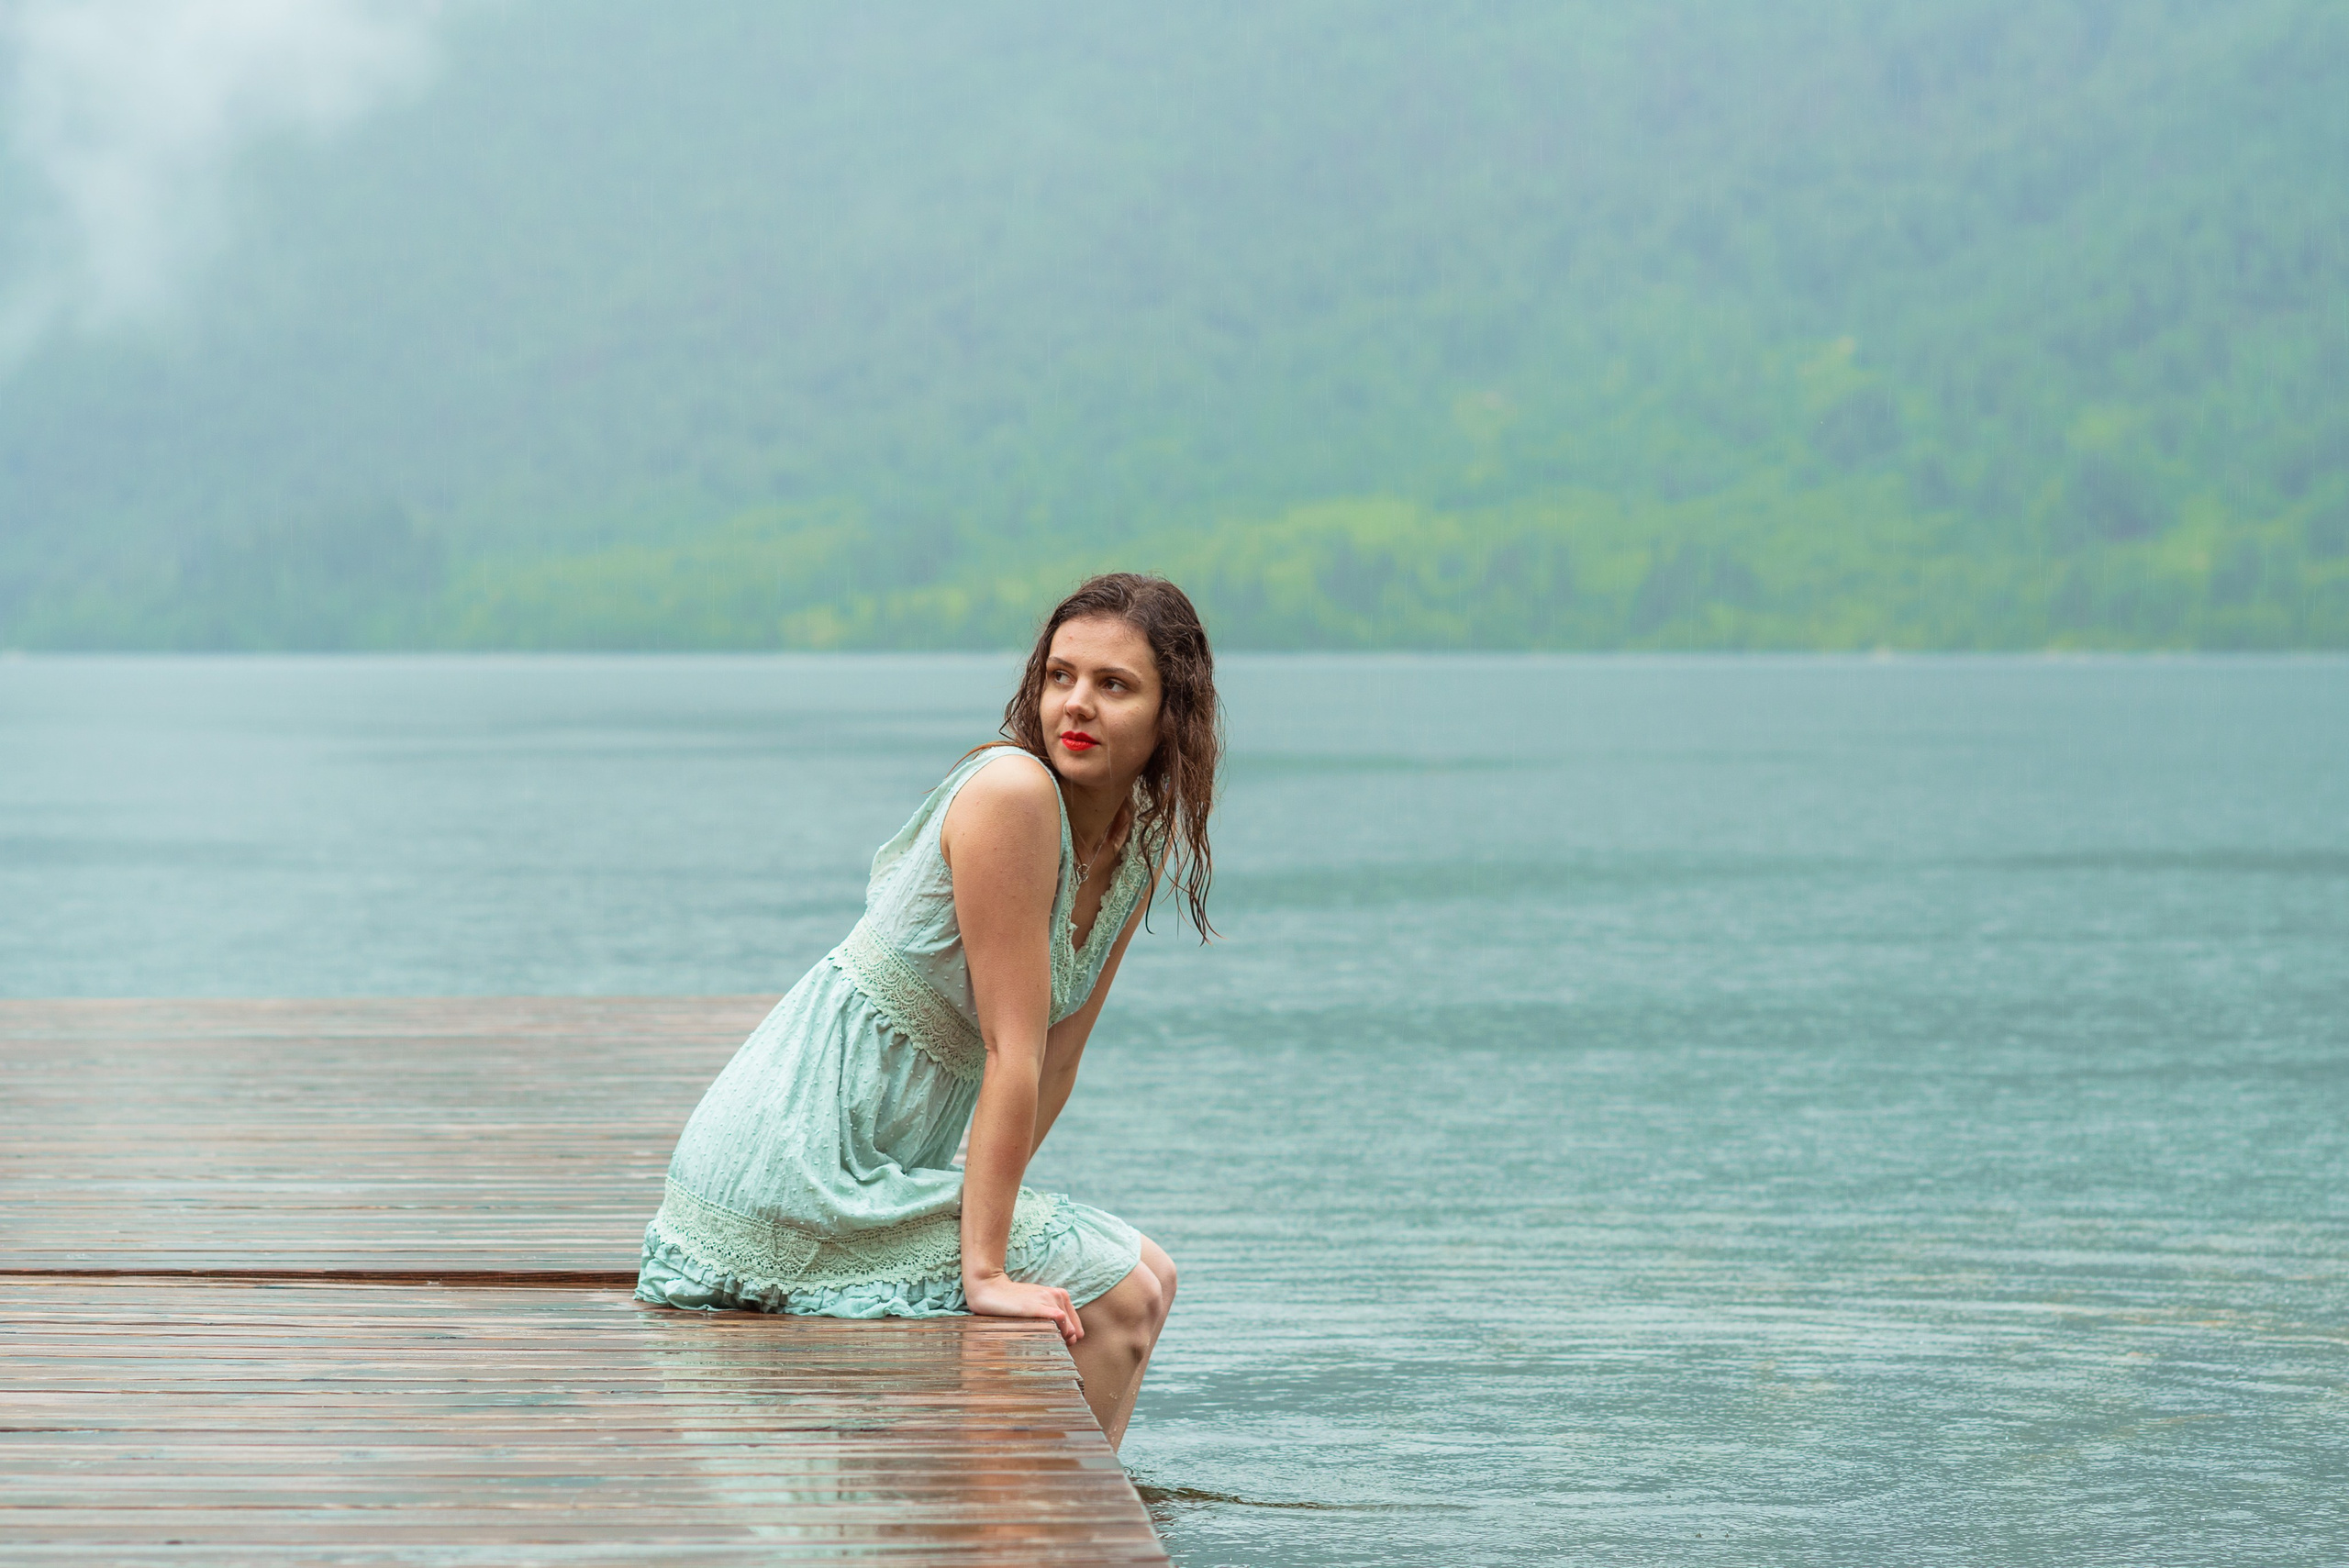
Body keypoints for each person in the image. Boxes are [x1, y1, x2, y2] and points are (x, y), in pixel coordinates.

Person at [636, 572, 1219, 1447]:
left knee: (1153, 1276)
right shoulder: (1013, 793)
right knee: (1123, 1298)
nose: (1078, 703)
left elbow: (1058, 1063)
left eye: (1114, 684)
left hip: (874, 1165)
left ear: (1170, 716)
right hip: (788, 1159)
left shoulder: (1131, 850)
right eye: (1060, 675)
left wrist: (999, 1222)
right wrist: (985, 1268)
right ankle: (1031, 1532)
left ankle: (1052, 1522)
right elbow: (1011, 1049)